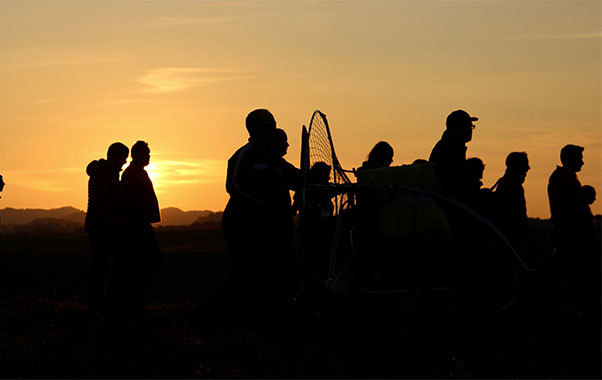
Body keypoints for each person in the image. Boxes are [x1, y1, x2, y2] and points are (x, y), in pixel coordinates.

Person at [217, 109, 278, 317]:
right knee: (241, 268)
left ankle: (252, 311)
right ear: (254, 128)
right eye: (268, 126)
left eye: (273, 126)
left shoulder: (268, 155)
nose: (272, 130)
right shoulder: (245, 154)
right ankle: (214, 313)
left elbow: (286, 175)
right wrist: (259, 203)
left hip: (257, 220)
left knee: (258, 267)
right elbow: (233, 185)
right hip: (240, 220)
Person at [547, 144, 596, 322]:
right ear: (571, 159)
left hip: (569, 238)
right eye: (580, 158)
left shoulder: (565, 179)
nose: (582, 162)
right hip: (572, 239)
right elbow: (575, 212)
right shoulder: (565, 180)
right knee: (576, 279)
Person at [85, 142, 129, 318]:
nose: (124, 163)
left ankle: (100, 305)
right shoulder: (103, 175)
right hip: (102, 227)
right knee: (103, 268)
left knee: (103, 267)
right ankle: (99, 306)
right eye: (123, 159)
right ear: (114, 157)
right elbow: (104, 204)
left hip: (101, 226)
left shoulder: (106, 173)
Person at [120, 140, 162, 315]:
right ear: (136, 154)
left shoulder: (137, 173)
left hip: (139, 223)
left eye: (149, 153)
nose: (149, 156)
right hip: (137, 224)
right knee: (150, 259)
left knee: (142, 261)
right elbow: (132, 202)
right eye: (146, 153)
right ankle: (131, 298)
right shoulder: (133, 174)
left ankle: (132, 299)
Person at [429, 110, 478, 198]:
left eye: (471, 126)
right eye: (468, 126)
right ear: (456, 127)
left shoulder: (454, 146)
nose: (470, 130)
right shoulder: (450, 149)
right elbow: (455, 181)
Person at [492, 152, 531, 257]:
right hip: (510, 239)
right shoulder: (512, 186)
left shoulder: (505, 183)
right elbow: (518, 215)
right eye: (525, 165)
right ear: (517, 167)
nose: (528, 168)